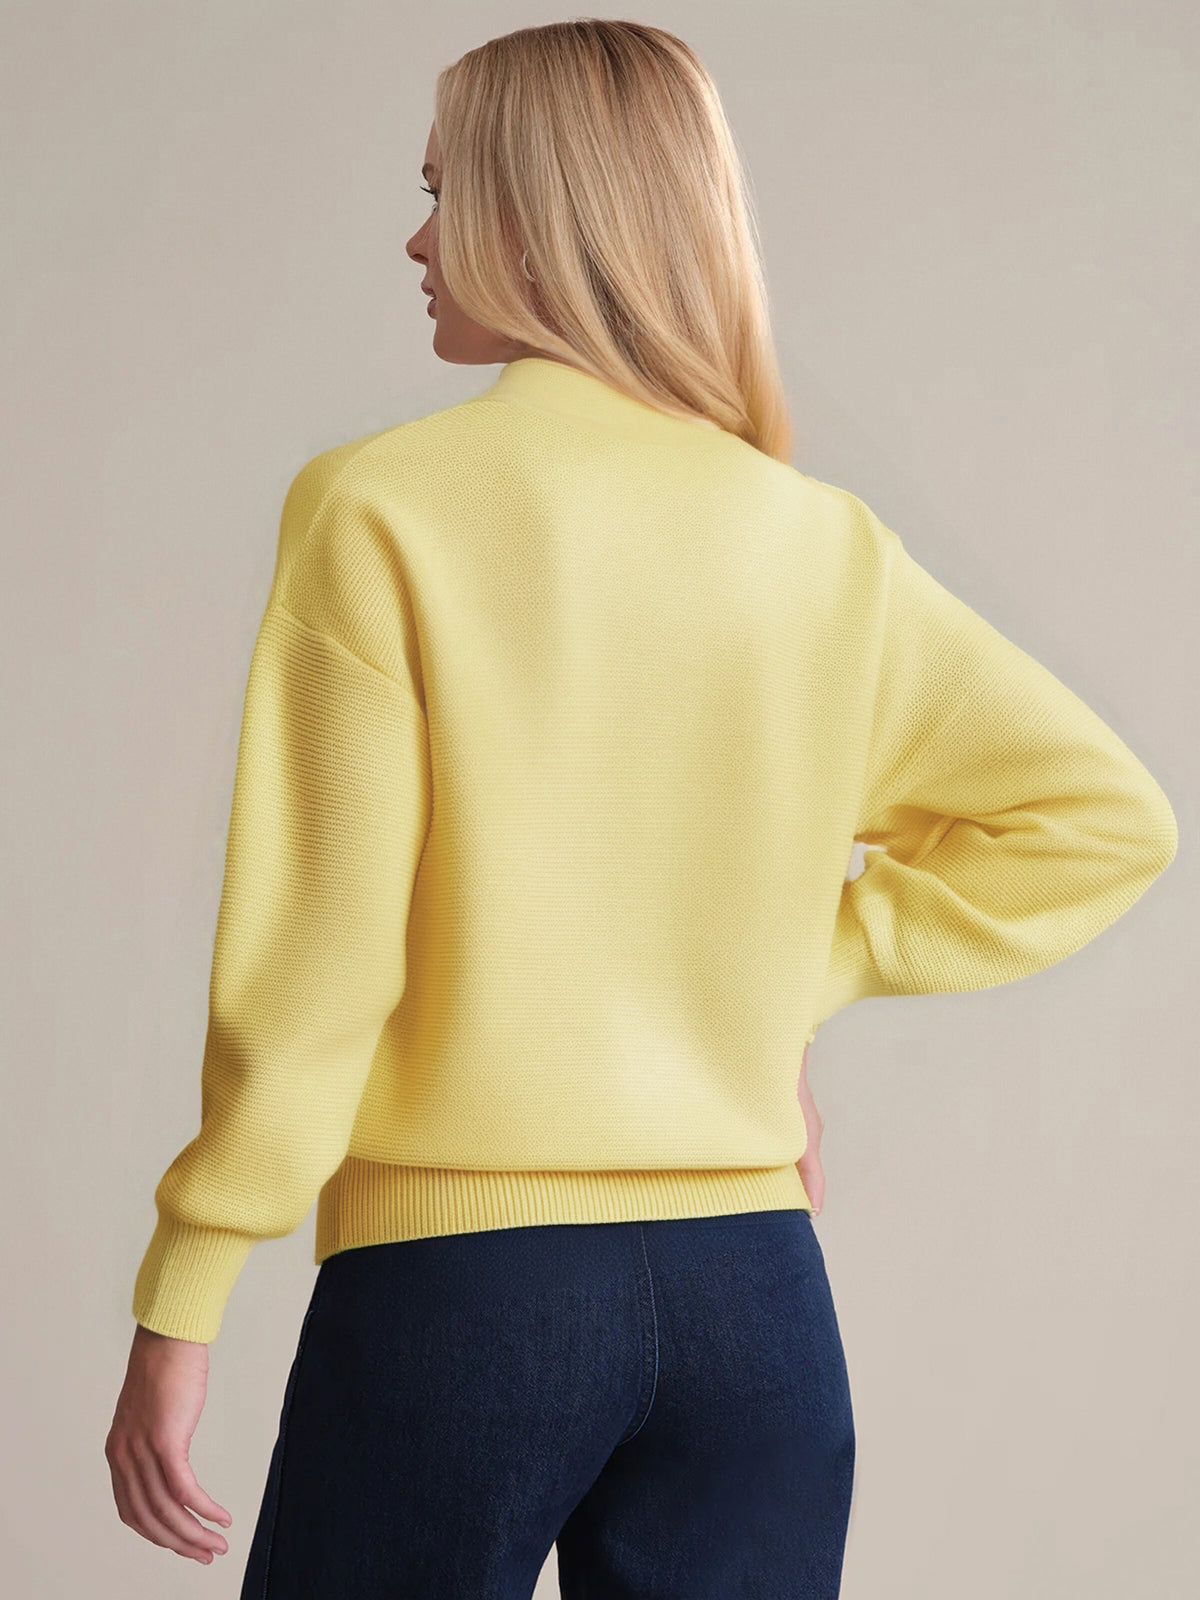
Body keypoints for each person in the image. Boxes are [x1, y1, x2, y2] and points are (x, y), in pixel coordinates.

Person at [104, 19, 1178, 1600]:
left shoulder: (381, 508)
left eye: (442, 193)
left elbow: (319, 964)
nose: (416, 241)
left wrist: (186, 1287)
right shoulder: (818, 543)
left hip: (464, 1296)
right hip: (758, 1304)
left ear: (541, 217)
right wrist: (796, 972)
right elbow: (1101, 818)